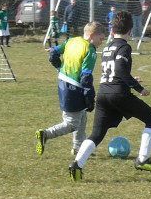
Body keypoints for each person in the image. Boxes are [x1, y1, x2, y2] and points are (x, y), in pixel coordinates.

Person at [69, 11, 151, 181]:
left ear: (111, 30)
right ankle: (142, 159)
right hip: (119, 94)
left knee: (97, 133)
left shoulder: (106, 47)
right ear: (130, 31)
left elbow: (116, 72)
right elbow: (119, 71)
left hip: (103, 93)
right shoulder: (124, 47)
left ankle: (77, 164)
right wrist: (138, 88)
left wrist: (129, 79)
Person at [35, 21, 103, 162]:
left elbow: (54, 51)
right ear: (92, 36)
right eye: (100, 38)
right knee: (71, 123)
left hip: (63, 82)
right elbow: (85, 78)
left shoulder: (72, 41)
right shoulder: (90, 51)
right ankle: (46, 134)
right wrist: (90, 98)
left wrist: (59, 67)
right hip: (73, 88)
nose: (101, 42)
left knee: (82, 116)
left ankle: (78, 147)